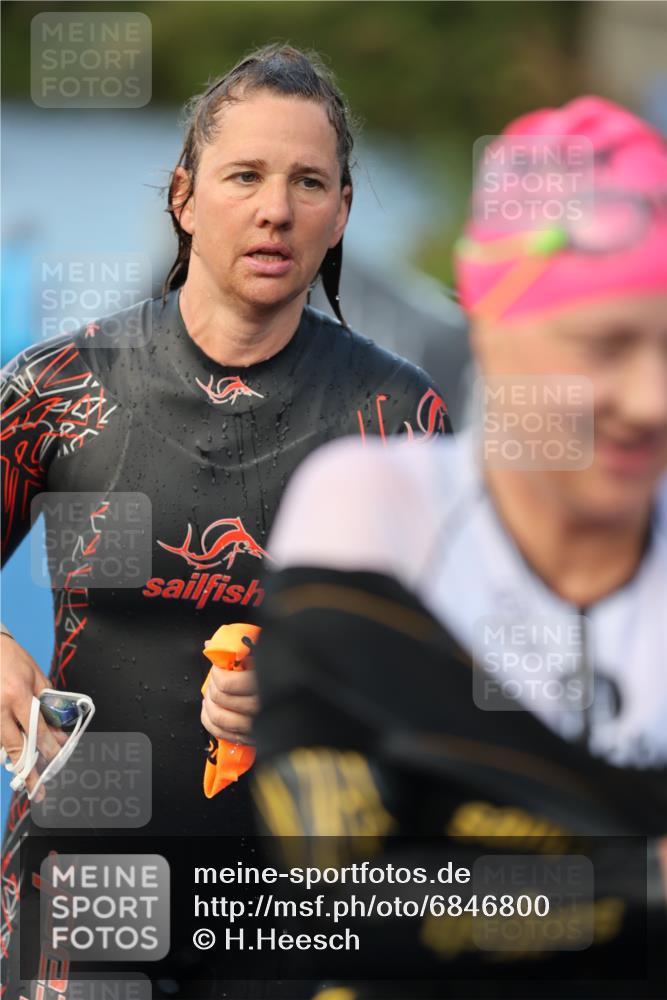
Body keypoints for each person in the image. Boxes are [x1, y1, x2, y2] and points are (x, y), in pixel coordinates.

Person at [0, 44, 450, 998]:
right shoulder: (60, 388)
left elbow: (454, 682)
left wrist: (313, 694)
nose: (275, 208)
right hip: (89, 882)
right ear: (183, 196)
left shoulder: (399, 420)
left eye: (309, 182)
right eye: (244, 175)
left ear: (342, 213)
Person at [251, 96, 667, 998]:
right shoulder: (378, 507)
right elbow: (346, 899)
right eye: (605, 346)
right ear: (492, 324)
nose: (651, 398)